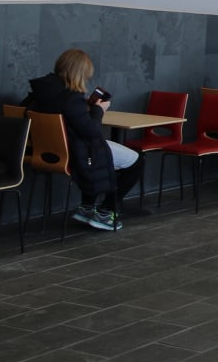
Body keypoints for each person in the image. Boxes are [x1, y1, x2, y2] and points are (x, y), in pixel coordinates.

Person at [23, 48, 141, 231]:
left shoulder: (42, 93)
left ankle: (87, 207)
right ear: (80, 74)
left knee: (105, 156)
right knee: (137, 161)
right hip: (77, 154)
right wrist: (98, 110)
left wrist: (83, 107)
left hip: (49, 151)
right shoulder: (71, 98)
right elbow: (90, 131)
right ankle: (105, 211)